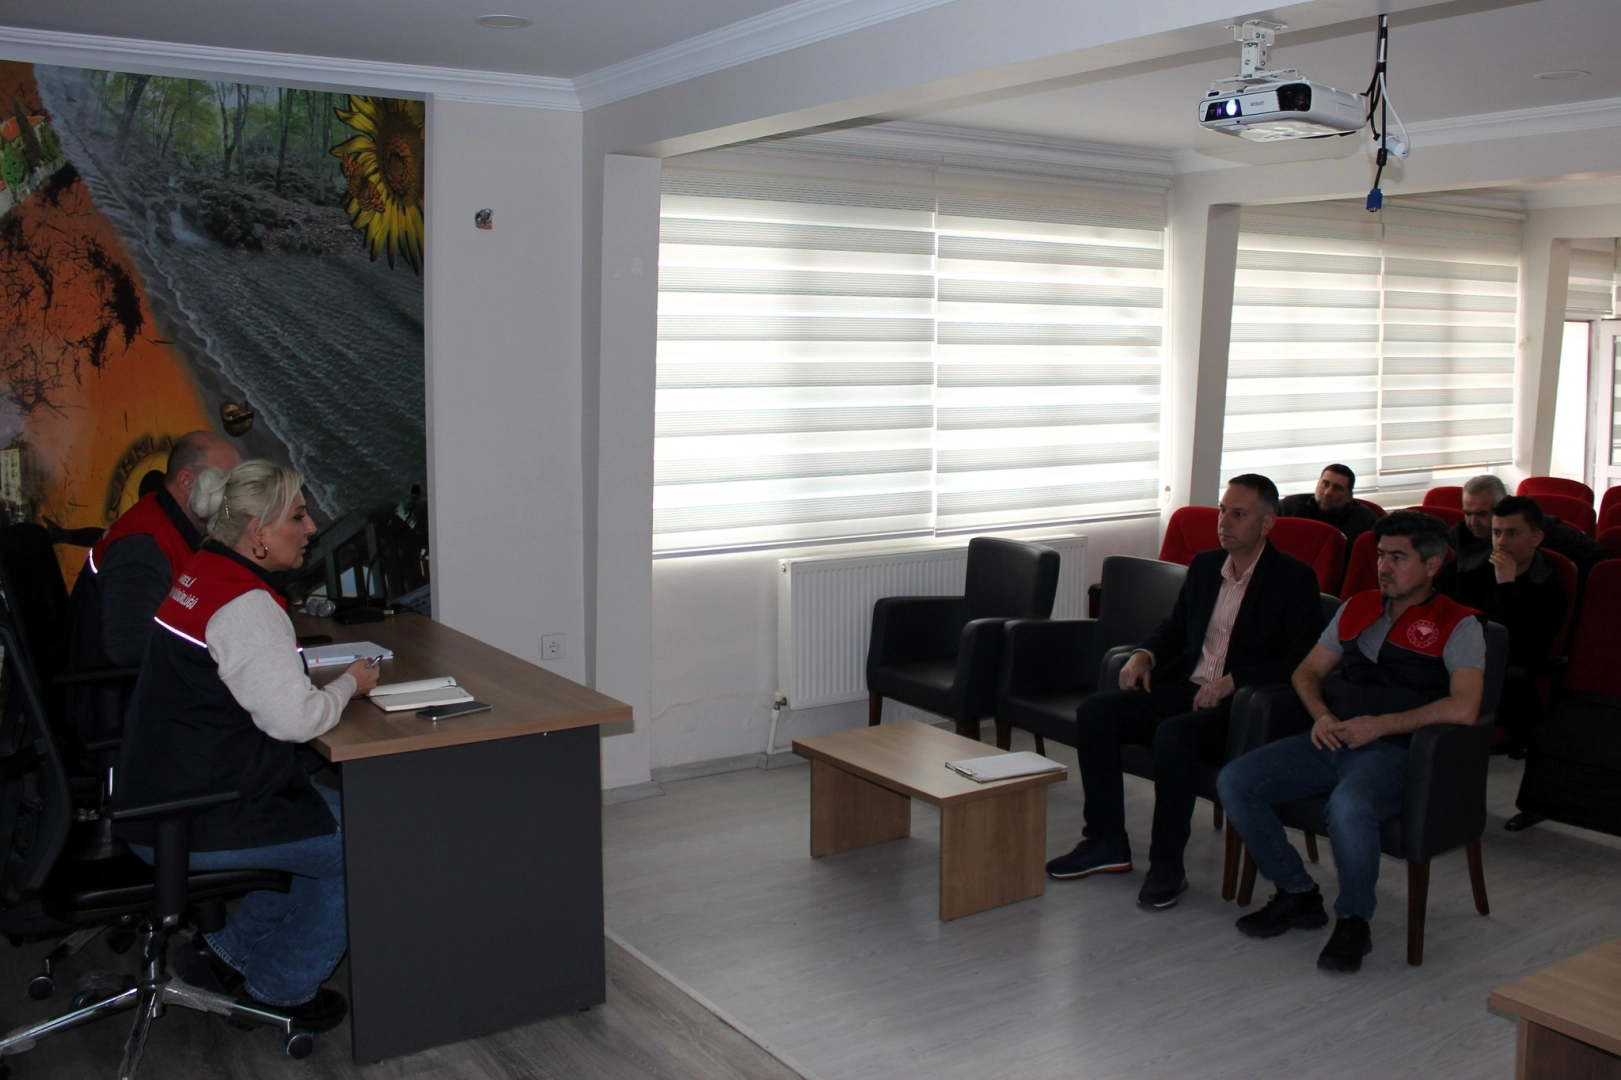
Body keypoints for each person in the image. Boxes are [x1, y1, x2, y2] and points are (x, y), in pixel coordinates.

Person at [116, 460, 379, 1031]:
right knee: (368, 844)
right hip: (200, 812)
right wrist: (349, 684)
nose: (311, 529)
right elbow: (296, 721)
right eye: (299, 517)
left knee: (344, 815)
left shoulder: (202, 571)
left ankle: (228, 950)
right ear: (258, 532)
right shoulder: (247, 606)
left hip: (161, 795)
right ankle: (280, 988)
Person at [1216, 511, 1486, 973]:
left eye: (1398, 558)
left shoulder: (1459, 625)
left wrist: (1380, 726)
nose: (1384, 567)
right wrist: (1320, 714)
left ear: (1432, 565)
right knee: (1236, 781)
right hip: (1332, 737)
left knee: (1348, 807)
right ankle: (1298, 893)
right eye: (1381, 555)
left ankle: (1354, 920)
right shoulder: (1357, 606)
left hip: (1395, 752)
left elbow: (1465, 707)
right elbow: (1306, 672)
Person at [1045, 474, 1324, 909]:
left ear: (1268, 523)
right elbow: (1175, 628)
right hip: (1185, 689)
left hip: (1240, 708)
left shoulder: (1293, 579)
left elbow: (1300, 659)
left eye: (1238, 513)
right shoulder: (1206, 566)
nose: (1224, 522)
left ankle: (1167, 868)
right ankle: (1106, 842)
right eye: (1222, 510)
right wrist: (1144, 654)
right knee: (1097, 713)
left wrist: (1234, 680)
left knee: (1173, 737)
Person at [71, 431, 242, 669]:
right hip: (124, 687)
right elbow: (129, 647)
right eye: (224, 483)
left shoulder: (175, 523)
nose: (233, 498)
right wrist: (222, 645)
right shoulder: (143, 545)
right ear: (186, 483)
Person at [1439, 496, 1568, 761]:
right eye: (1497, 533)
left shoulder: (1550, 587)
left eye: (1513, 533)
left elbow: (1527, 649)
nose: (1501, 542)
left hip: (1503, 679)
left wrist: (1507, 586)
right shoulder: (1468, 566)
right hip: (1453, 658)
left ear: (1536, 538)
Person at [1452, 475, 1612, 579]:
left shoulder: (1548, 530)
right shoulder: (1459, 535)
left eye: (1482, 514)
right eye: (1467, 513)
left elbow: (1603, 559)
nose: (1472, 522)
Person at [1278, 464, 1378, 555]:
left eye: (1337, 488)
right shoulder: (1289, 507)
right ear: (1317, 484)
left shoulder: (1365, 521)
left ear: (1349, 496)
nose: (1327, 492)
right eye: (1325, 484)